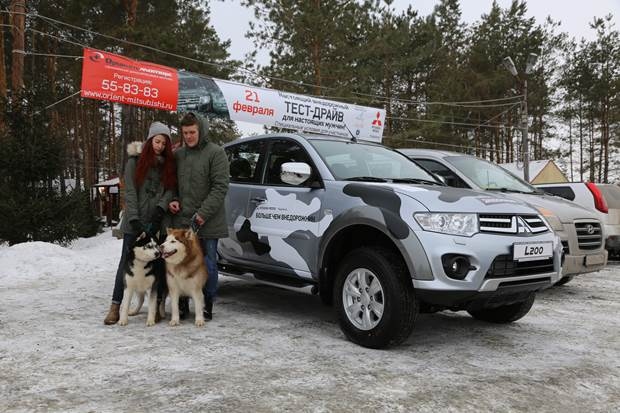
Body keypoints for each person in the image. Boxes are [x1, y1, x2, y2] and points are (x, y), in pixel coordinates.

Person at [103, 122, 177, 325]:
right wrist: (134, 219)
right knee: (125, 263)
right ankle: (115, 306)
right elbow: (129, 192)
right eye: (157, 141)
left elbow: (170, 189)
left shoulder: (168, 165)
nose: (160, 146)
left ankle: (157, 305)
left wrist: (160, 210)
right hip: (134, 221)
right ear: (150, 140)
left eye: (164, 143)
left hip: (156, 222)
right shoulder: (134, 162)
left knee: (158, 264)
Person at [168, 112, 229, 321]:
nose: (189, 136)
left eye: (192, 132)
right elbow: (172, 183)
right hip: (183, 220)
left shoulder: (216, 153)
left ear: (201, 130)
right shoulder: (179, 155)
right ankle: (183, 303)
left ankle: (206, 303)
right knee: (181, 262)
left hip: (208, 221)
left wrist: (202, 214)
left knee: (207, 264)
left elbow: (220, 187)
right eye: (185, 133)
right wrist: (174, 198)